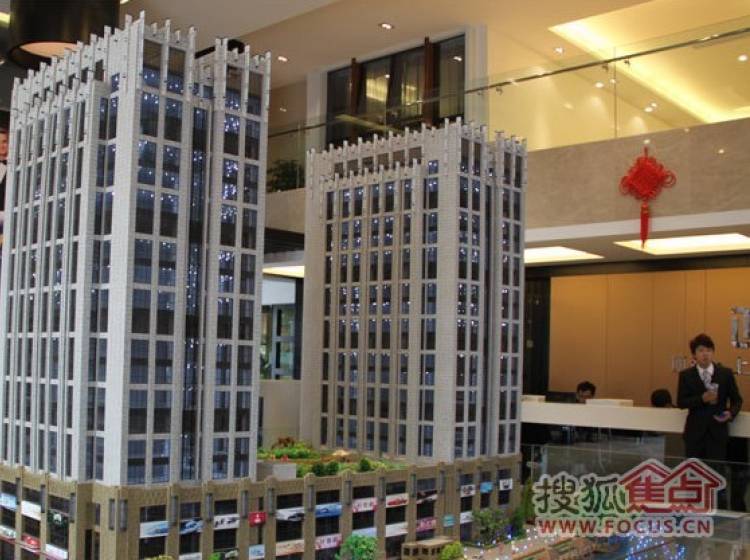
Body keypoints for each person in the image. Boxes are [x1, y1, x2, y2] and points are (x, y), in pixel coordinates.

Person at [677, 333, 743, 460]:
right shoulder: (686, 375)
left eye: (708, 350)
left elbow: (737, 400)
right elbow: (681, 402)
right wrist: (701, 399)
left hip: (717, 433)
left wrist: (730, 413)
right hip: (694, 434)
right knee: (694, 470)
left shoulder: (725, 373)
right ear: (694, 354)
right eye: (701, 350)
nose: (705, 354)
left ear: (713, 352)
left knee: (716, 469)